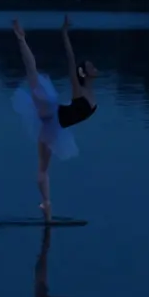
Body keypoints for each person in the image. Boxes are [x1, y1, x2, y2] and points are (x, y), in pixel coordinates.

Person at [10, 15, 99, 223]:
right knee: (33, 76)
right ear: (84, 73)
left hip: (54, 124)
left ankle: (46, 205)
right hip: (52, 114)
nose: (95, 68)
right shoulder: (79, 91)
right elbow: (70, 58)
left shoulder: (89, 93)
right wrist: (64, 33)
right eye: (91, 66)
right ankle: (21, 38)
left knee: (43, 167)